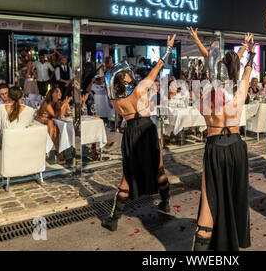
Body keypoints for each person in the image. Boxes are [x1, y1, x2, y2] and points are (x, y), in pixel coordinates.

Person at [186, 30, 255, 251]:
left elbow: (214, 62)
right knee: (235, 195)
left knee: (208, 201)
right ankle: (230, 240)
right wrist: (249, 53)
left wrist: (198, 42)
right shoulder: (239, 89)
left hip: (215, 147)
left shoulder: (203, 93)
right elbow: (244, 71)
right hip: (237, 147)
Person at [101, 34, 176, 232]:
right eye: (127, 73)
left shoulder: (115, 100)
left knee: (127, 175)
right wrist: (168, 49)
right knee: (158, 167)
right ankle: (165, 202)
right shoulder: (140, 89)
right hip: (146, 129)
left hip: (131, 132)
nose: (130, 73)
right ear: (123, 77)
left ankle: (114, 219)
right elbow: (156, 70)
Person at [36, 86, 72, 164]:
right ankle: (55, 152)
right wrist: (63, 105)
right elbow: (55, 116)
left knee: (56, 128)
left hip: (49, 121)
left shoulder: (57, 103)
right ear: (52, 94)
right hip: (40, 121)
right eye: (57, 92)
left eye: (60, 92)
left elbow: (60, 115)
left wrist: (65, 105)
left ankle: (55, 151)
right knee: (51, 122)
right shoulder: (47, 103)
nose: (59, 93)